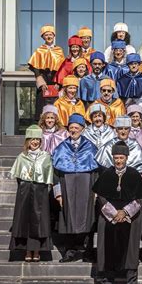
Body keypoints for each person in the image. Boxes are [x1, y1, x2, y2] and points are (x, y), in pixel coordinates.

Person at [93, 141, 142, 284]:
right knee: (108, 251)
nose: (118, 161)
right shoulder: (106, 175)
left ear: (127, 158)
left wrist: (125, 212)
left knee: (130, 252)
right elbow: (101, 197)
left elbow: (140, 198)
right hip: (109, 218)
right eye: (116, 157)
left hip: (130, 219)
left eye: (121, 157)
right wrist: (114, 214)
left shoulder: (134, 175)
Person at [52, 113, 99, 263]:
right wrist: (58, 194)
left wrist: (96, 192)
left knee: (88, 218)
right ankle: (69, 251)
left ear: (82, 129)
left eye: (76, 128)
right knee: (68, 218)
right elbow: (56, 174)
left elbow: (96, 172)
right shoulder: (61, 148)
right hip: (67, 185)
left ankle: (88, 251)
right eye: (71, 128)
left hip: (87, 187)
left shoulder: (91, 147)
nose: (73, 130)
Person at [9, 125, 53, 262]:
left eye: (38, 140)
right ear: (28, 141)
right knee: (26, 220)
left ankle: (37, 250)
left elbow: (49, 176)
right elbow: (18, 177)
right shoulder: (22, 157)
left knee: (39, 221)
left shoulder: (45, 156)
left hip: (40, 191)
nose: (35, 142)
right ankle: (28, 250)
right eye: (32, 139)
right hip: (25, 191)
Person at [28, 25, 65, 116]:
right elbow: (35, 67)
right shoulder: (39, 51)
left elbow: (62, 68)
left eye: (50, 34)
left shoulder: (59, 50)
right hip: (44, 79)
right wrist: (41, 81)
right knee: (42, 103)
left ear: (54, 36)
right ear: (43, 37)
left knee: (56, 103)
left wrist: (59, 82)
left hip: (55, 80)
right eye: (46, 35)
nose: (49, 37)